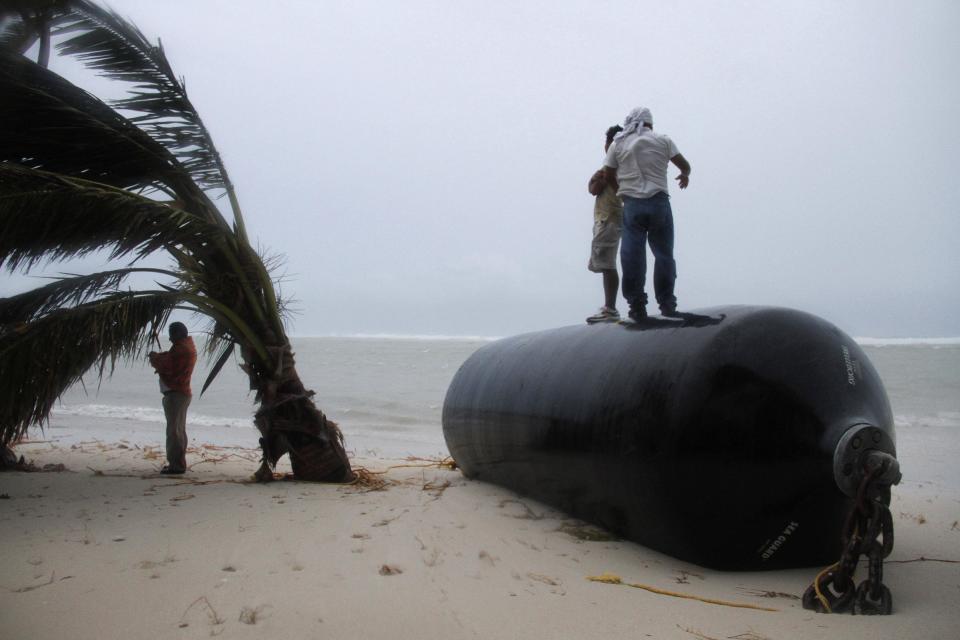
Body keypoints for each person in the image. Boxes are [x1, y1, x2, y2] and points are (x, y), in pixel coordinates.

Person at [603, 106, 690, 320]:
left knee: (632, 255)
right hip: (659, 202)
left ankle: (637, 305)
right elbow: (684, 165)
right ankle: (667, 303)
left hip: (633, 204)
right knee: (663, 254)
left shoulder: (618, 143)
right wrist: (684, 175)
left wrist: (621, 191)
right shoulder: (663, 140)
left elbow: (607, 173)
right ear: (650, 123)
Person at [585, 125, 625, 324]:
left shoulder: (614, 166)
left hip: (609, 218)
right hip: (607, 217)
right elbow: (592, 187)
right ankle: (610, 306)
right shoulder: (616, 166)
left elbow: (596, 186)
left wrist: (598, 178)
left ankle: (610, 308)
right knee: (606, 263)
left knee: (607, 263)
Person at [148, 322, 197, 475]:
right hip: (180, 394)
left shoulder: (181, 349)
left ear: (178, 333)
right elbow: (169, 358)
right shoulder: (184, 346)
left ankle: (176, 465)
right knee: (178, 430)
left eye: (172, 334)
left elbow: (167, 365)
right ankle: (177, 463)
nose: (169, 338)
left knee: (174, 432)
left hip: (177, 394)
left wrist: (154, 357)